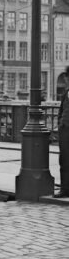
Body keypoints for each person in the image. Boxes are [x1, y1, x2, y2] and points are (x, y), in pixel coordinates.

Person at [56, 67, 69, 197]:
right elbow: (61, 111)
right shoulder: (66, 93)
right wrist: (60, 125)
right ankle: (65, 189)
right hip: (65, 130)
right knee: (64, 160)